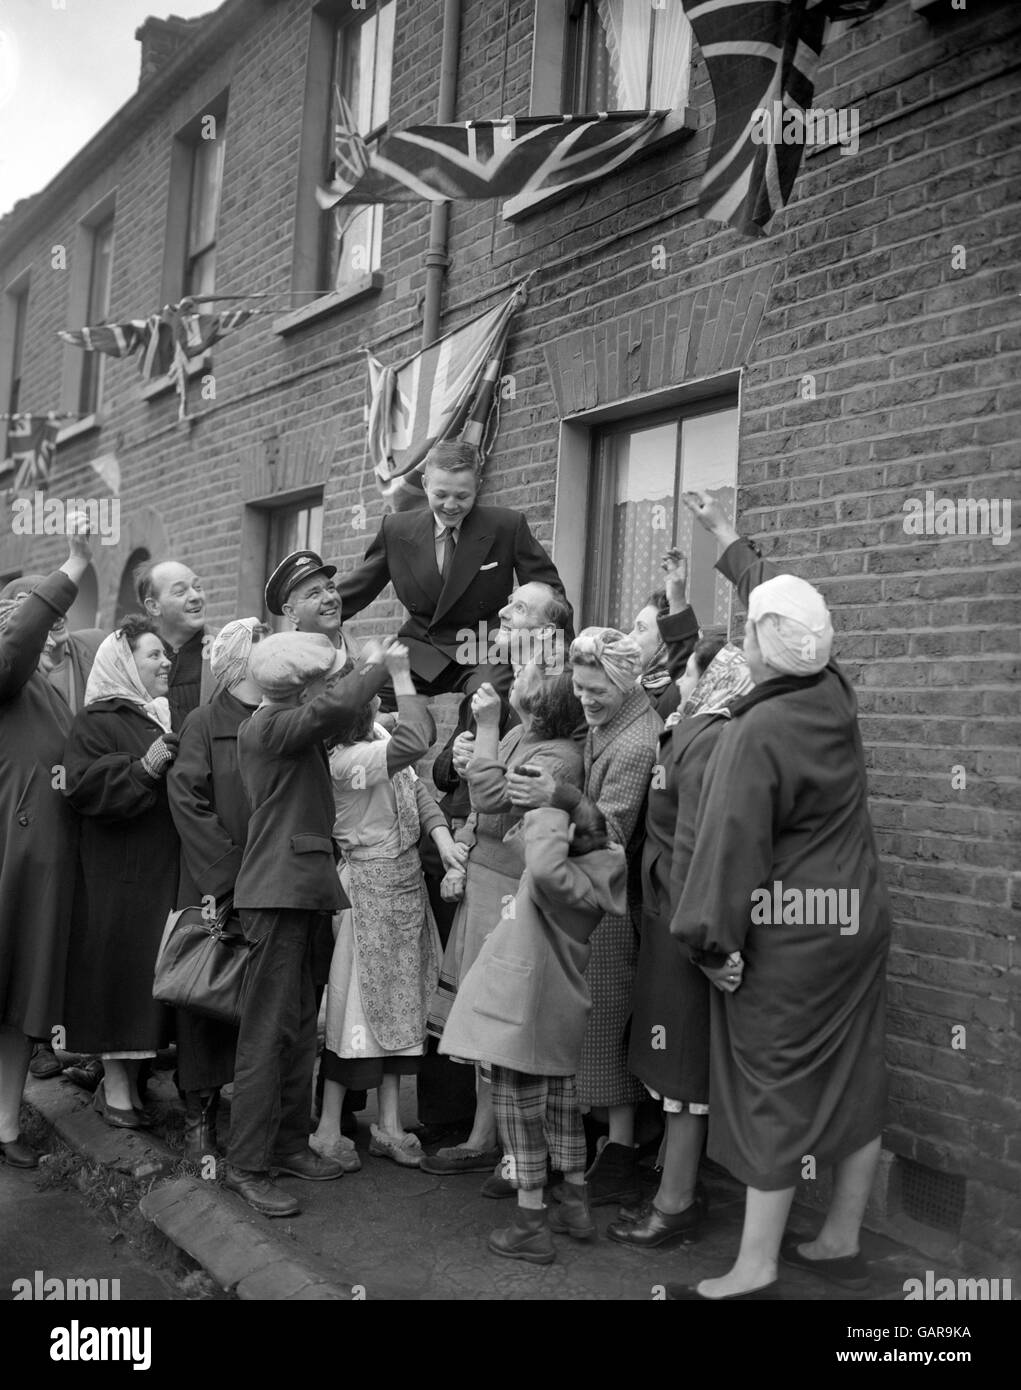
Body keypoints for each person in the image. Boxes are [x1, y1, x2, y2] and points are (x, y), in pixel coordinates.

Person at [665, 491, 892, 1300]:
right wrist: (729, 543)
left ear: (762, 648)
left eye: (748, 631)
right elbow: (786, 605)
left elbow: (729, 852)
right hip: (855, 922)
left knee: (772, 1087)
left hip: (787, 935)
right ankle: (838, 1238)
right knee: (857, 1073)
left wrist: (709, 944)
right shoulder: (832, 689)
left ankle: (754, 1266)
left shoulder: (754, 731)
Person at [224, 631, 390, 1218]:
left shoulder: (288, 728)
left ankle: (290, 1144)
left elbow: (341, 714)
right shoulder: (267, 726)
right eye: (318, 679)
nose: (327, 686)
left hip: (302, 895)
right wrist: (373, 663)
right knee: (266, 1032)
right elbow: (340, 706)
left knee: (296, 1028)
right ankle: (246, 1164)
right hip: (277, 895)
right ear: (299, 687)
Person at [506, 629, 662, 1206]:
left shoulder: (637, 742)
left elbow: (614, 833)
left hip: (612, 908)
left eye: (597, 690)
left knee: (599, 1031)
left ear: (625, 682)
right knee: (587, 1029)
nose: (586, 699)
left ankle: (620, 1153)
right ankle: (603, 1149)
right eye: (579, 687)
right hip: (593, 899)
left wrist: (559, 800)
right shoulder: (611, 723)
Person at [439, 790, 626, 1264]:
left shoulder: (554, 882)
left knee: (520, 1119)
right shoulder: (594, 876)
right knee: (562, 1113)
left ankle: (529, 1226)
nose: (520, 830)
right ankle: (575, 1205)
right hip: (558, 1014)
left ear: (563, 845)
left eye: (539, 827)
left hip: (519, 1016)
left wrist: (552, 804)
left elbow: (539, 864)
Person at [608, 636, 752, 1252]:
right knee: (672, 1067)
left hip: (683, 923)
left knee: (683, 1072)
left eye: (686, 669)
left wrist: (705, 945)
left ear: (712, 674)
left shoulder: (709, 738)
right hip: (671, 917)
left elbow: (702, 850)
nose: (676, 678)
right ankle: (675, 1183)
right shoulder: (690, 728)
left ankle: (675, 1205)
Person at [422, 665, 585, 1177]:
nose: (512, 685)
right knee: (477, 1012)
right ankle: (487, 1134)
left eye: (525, 684)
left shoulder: (559, 755)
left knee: (500, 1016)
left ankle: (500, 1145)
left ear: (544, 705)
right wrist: (462, 852)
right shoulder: (520, 732)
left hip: (513, 889)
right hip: (484, 878)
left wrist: (487, 727)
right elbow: (475, 810)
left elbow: (494, 797)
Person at [311, 643, 465, 1170]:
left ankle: (390, 1124)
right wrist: (400, 671)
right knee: (353, 1008)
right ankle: (329, 1128)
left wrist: (443, 841)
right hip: (367, 892)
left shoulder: (373, 737)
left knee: (404, 1006)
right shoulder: (345, 760)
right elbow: (416, 741)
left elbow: (414, 788)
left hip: (404, 886)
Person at [334, 441, 572, 710]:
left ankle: (461, 752)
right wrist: (311, 631)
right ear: (424, 484)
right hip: (421, 646)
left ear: (478, 486)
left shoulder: (507, 526)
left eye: (461, 496)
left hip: (483, 647)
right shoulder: (395, 529)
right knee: (360, 698)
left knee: (487, 700)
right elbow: (357, 590)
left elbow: (553, 597)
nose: (450, 505)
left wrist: (562, 664)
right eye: (441, 494)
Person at [62, 616, 181, 1127]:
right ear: (124, 662)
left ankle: (134, 1083)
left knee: (147, 975)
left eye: (166, 655)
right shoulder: (96, 718)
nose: (166, 663)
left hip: (158, 872)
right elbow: (82, 787)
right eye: (154, 654)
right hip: (119, 876)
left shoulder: (158, 713)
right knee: (120, 973)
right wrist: (143, 769)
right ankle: (114, 1090)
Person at [0, 530, 92, 1168]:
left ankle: (5, 1128)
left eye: (64, 625)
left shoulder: (54, 697)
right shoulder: (5, 678)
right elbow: (17, 646)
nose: (58, 637)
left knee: (19, 1016)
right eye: (48, 624)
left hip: (44, 883)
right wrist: (74, 567)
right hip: (5, 873)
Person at [166, 618, 269, 1163]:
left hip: (273, 884)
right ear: (237, 664)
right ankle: (200, 1117)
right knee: (204, 999)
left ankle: (255, 1121)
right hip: (215, 887)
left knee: (262, 1003)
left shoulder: (279, 718)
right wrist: (229, 873)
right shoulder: (204, 723)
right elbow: (187, 800)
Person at [136, 559, 211, 729]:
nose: (195, 597)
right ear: (154, 606)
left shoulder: (225, 648)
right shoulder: (129, 656)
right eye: (180, 592)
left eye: (198, 587)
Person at [627, 549, 700, 719]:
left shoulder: (679, 688)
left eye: (642, 629)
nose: (630, 637)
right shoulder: (630, 689)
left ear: (664, 645)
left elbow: (683, 653)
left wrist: (676, 598)